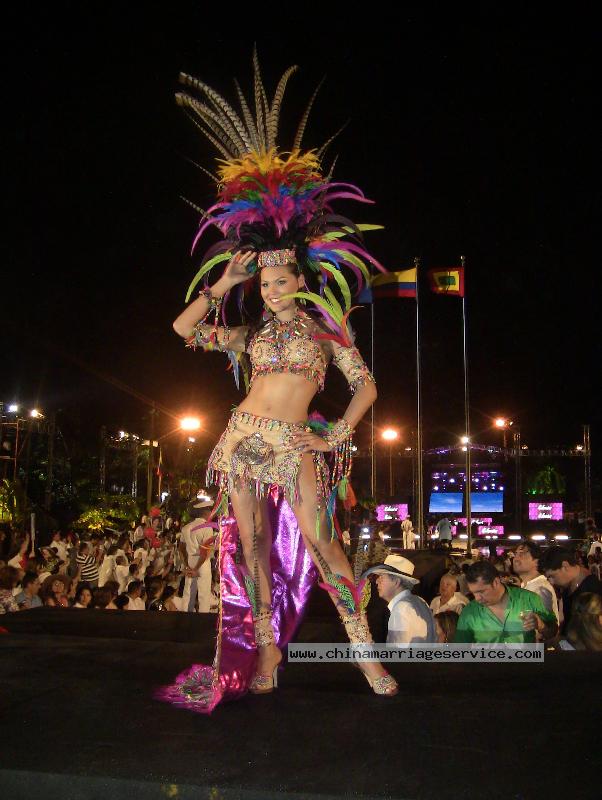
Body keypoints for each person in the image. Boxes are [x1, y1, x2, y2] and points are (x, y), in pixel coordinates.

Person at [162, 52, 398, 713]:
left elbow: (367, 386)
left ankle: (366, 656)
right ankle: (266, 655)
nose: (269, 290)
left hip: (296, 444)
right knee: (253, 551)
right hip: (242, 439)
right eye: (262, 283)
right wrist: (224, 284)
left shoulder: (327, 332)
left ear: (300, 278)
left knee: (325, 545)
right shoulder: (248, 333)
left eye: (278, 280)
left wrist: (337, 435)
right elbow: (183, 329)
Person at [454, 561, 558, 644]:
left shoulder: (529, 599)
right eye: (473, 593)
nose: (477, 598)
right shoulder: (469, 612)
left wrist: (541, 625)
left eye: (481, 592)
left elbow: (553, 632)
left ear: (495, 582)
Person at [364, 555, 436, 644]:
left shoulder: (401, 609)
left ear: (396, 582)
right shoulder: (421, 601)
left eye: (382, 577)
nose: (377, 581)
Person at [539, 546, 602, 635]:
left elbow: (591, 637)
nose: (551, 582)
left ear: (565, 566)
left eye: (552, 576)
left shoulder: (592, 591)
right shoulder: (568, 588)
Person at [179, 500, 215, 613]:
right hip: (202, 563)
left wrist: (186, 565)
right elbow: (205, 552)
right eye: (209, 510)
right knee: (204, 594)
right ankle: (203, 617)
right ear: (205, 512)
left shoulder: (186, 527)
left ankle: (185, 615)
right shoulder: (207, 527)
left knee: (188, 592)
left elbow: (181, 548)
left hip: (190, 561)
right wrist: (196, 569)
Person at [512, 541, 559, 623]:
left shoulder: (541, 588)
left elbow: (545, 625)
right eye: (515, 554)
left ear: (536, 561)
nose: (516, 559)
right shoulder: (526, 585)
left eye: (521, 554)